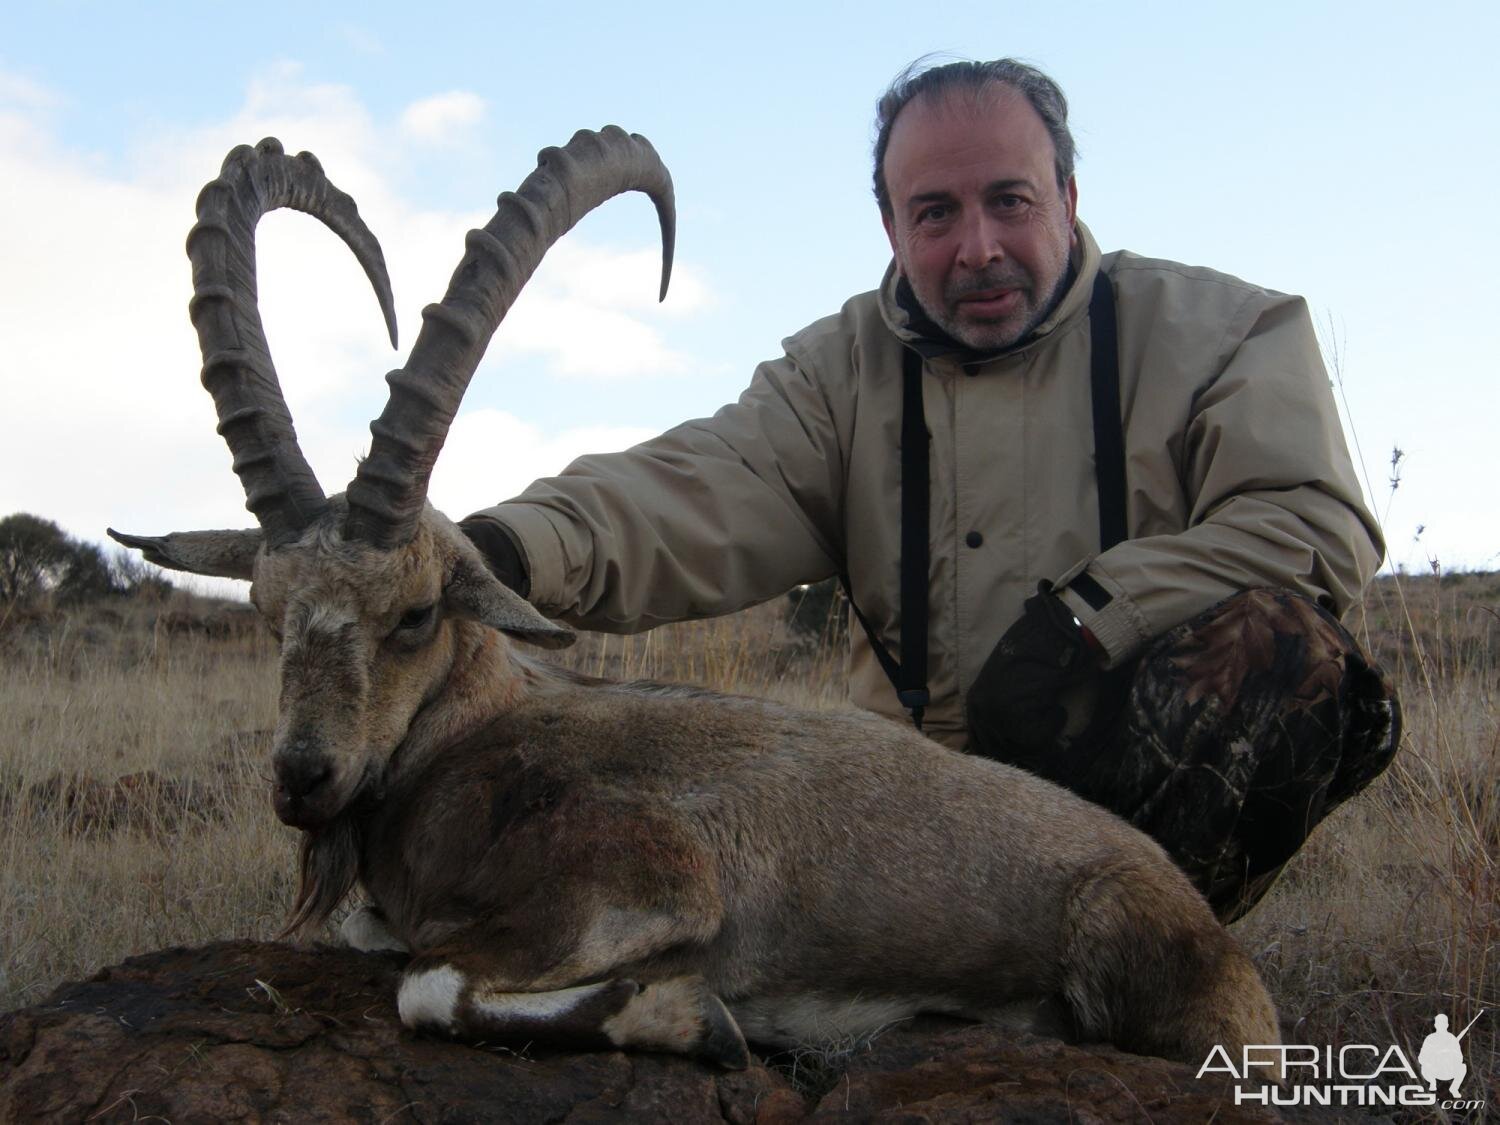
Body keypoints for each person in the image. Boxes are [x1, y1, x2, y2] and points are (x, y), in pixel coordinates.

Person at [460, 58, 1400, 921]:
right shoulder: (836, 376)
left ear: (1068, 198)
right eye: (936, 213)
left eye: (1010, 201)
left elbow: (1313, 519)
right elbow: (696, 489)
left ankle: (1145, 956)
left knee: (1293, 653)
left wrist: (1087, 619)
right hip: (905, 818)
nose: (977, 248)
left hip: (1121, 793)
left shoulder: (1224, 331)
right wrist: (499, 550)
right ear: (892, 228)